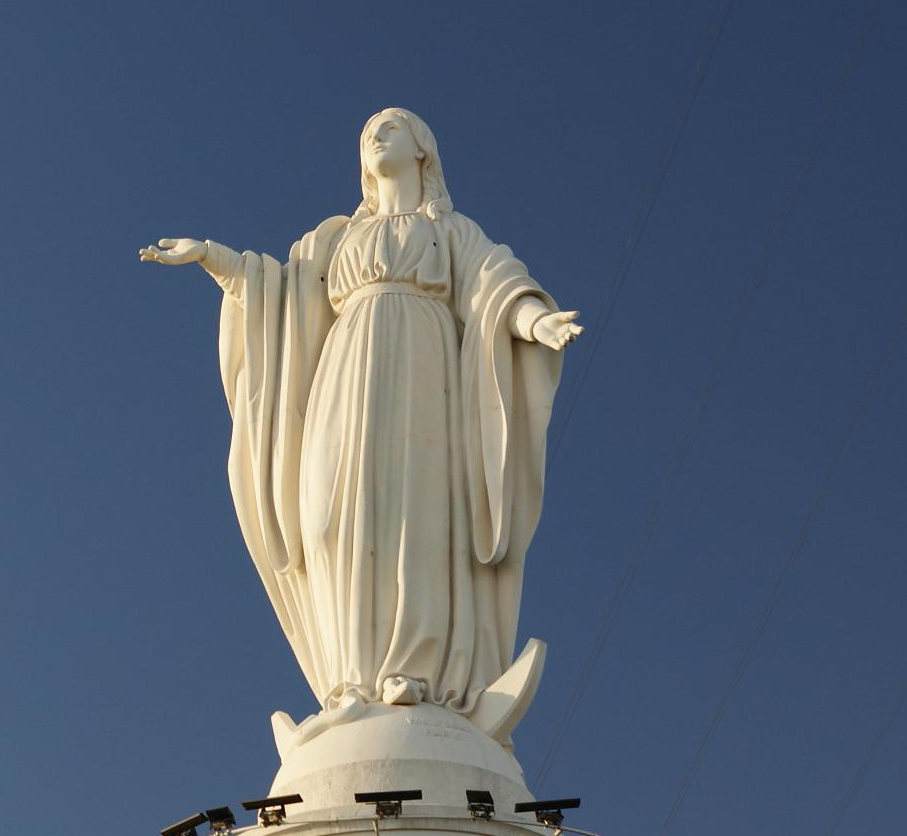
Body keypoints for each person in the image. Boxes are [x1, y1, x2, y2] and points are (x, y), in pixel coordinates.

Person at [141, 109, 582, 749]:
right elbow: (283, 300)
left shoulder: (450, 231)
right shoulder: (336, 239)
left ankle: (415, 674)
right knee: (327, 518)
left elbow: (496, 287)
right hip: (344, 371)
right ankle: (350, 682)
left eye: (391, 129)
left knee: (414, 515)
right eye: (367, 133)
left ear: (423, 152)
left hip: (426, 370)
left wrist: (538, 324)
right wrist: (215, 259)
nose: (374, 138)